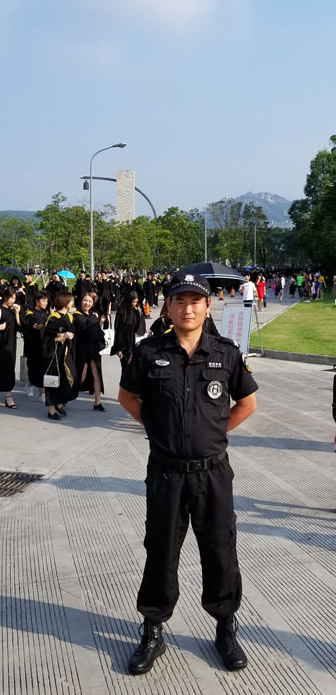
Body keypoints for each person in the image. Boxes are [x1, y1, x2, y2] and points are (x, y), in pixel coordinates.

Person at [118, 270, 258, 675]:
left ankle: (225, 628)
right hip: (166, 473)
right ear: (168, 306)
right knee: (161, 551)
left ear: (207, 306)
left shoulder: (225, 353)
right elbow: (127, 397)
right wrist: (159, 430)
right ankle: (152, 630)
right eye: (179, 300)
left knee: (220, 550)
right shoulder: (149, 352)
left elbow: (247, 404)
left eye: (195, 301)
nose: (188, 308)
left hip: (212, 474)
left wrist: (214, 433)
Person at [42, 291, 77, 420]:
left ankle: (59, 404)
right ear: (64, 302)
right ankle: (51, 410)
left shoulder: (69, 317)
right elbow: (46, 339)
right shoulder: (53, 318)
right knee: (53, 381)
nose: (72, 303)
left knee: (64, 380)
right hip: (54, 355)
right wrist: (60, 338)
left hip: (65, 354)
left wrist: (69, 336)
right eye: (70, 300)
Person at [0, 288, 22, 408]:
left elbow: (20, 328)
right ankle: (9, 397)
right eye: (11, 298)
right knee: (7, 370)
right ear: (5, 297)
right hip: (2, 344)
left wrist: (17, 313)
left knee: (5, 368)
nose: (13, 300)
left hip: (12, 343)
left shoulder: (13, 311)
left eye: (14, 298)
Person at [74, 292, 106, 411]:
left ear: (93, 304)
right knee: (79, 376)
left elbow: (96, 332)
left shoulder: (93, 315)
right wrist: (94, 319)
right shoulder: (77, 315)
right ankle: (63, 399)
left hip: (93, 349)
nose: (87, 303)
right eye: (85, 300)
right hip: (81, 349)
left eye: (90, 301)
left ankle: (97, 402)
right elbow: (85, 328)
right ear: (81, 301)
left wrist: (100, 322)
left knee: (96, 374)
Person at [111, 291, 144, 375]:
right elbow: (118, 330)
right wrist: (119, 348)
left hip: (134, 344)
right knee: (126, 368)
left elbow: (139, 329)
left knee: (134, 369)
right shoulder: (121, 312)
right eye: (133, 302)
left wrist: (140, 315)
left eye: (136, 302)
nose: (134, 304)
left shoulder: (136, 311)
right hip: (124, 345)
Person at [23, 292, 49, 401]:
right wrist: (33, 327)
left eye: (46, 301)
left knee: (39, 370)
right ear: (37, 301)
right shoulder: (30, 314)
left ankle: (30, 384)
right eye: (43, 301)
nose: (45, 303)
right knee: (37, 369)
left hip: (44, 345)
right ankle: (42, 394)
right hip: (34, 347)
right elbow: (27, 326)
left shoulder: (45, 314)